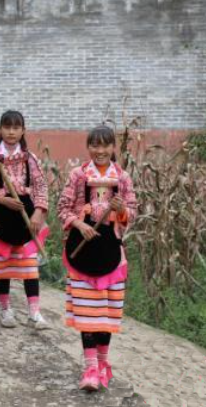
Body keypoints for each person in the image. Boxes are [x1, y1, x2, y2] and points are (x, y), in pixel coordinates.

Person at [57, 125, 137, 392]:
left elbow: (133, 211)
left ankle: (103, 364)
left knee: (105, 313)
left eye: (105, 146)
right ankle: (90, 368)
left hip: (112, 254)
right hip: (82, 254)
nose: (100, 151)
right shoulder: (78, 176)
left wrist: (122, 209)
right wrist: (80, 225)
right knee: (88, 312)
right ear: (88, 147)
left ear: (113, 148)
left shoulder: (122, 178)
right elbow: (62, 208)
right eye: (95, 145)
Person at [0, 110, 50, 330]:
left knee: (30, 267)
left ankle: (34, 312)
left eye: (16, 127)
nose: (11, 132)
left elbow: (41, 187)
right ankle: (6, 310)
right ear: (0, 129)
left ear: (23, 130)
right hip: (1, 221)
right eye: (7, 127)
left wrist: (39, 212)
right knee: (3, 267)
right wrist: (2, 199)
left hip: (27, 222)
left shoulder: (31, 159)